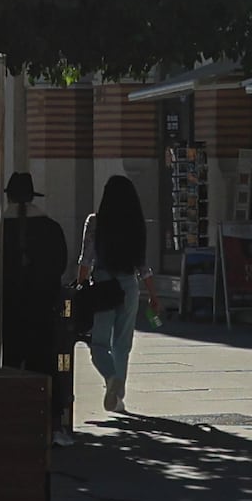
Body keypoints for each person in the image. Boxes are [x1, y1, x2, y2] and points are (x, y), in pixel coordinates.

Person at [0, 171, 73, 400]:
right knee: (43, 361)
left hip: (8, 309)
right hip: (42, 308)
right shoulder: (50, 228)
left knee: (9, 360)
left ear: (8, 197)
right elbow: (60, 265)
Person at [84, 169, 149, 418]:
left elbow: (85, 259)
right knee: (123, 344)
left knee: (99, 343)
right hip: (129, 285)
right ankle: (117, 395)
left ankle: (110, 377)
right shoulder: (136, 224)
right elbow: (143, 265)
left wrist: (80, 284)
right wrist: (153, 295)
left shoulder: (95, 221)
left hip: (103, 284)